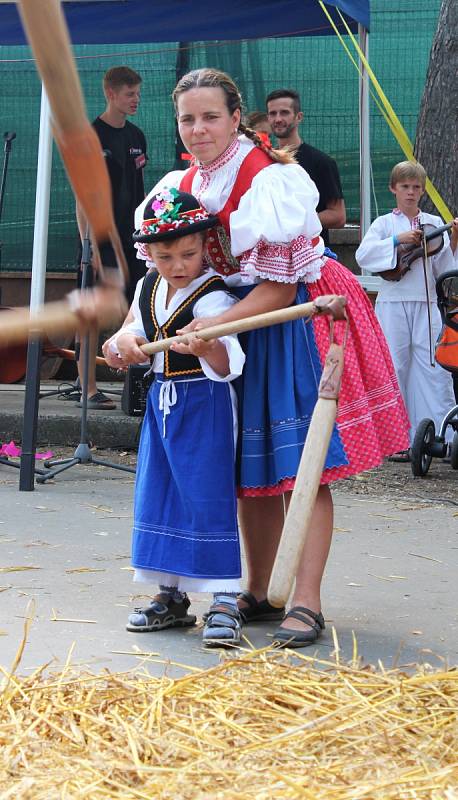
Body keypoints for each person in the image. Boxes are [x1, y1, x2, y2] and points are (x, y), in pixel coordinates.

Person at [107, 67, 409, 648]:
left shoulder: (268, 180)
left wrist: (211, 325)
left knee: (302, 464)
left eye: (210, 117)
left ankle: (306, 600)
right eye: (187, 119)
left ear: (235, 117)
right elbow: (161, 285)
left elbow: (276, 286)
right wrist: (144, 331)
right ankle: (260, 587)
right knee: (249, 465)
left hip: (292, 318)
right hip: (228, 327)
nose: (198, 130)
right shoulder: (182, 185)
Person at [110, 188, 246, 647]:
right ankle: (170, 596)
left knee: (206, 494)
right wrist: (120, 347)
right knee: (161, 494)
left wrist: (209, 345)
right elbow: (127, 336)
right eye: (165, 256)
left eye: (188, 253)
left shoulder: (212, 295)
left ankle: (225, 597)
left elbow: (229, 363)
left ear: (205, 244)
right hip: (162, 405)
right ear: (148, 252)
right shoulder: (148, 287)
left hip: (205, 404)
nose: (178, 265)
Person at [356, 161, 458, 459]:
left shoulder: (432, 221)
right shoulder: (384, 224)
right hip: (394, 301)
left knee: (430, 367)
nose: (411, 193)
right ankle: (392, 438)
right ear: (393, 189)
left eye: (416, 187)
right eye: (405, 187)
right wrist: (396, 240)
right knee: (394, 365)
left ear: (422, 190)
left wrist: (453, 239)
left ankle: (438, 435)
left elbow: (445, 268)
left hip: (426, 303)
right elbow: (365, 254)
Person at [75, 66, 148, 409]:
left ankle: (132, 384)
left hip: (131, 236)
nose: (135, 100)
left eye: (137, 93)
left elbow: (139, 190)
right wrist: (87, 245)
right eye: (129, 94)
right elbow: (83, 198)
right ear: (111, 94)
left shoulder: (136, 136)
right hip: (100, 238)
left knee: (133, 306)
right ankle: (86, 387)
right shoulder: (91, 136)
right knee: (90, 311)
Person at [266, 88, 346, 247]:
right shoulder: (264, 160)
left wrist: (293, 223)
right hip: (271, 260)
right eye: (273, 113)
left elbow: (338, 216)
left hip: (312, 258)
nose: (278, 118)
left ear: (298, 117)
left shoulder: (321, 162)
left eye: (284, 113)